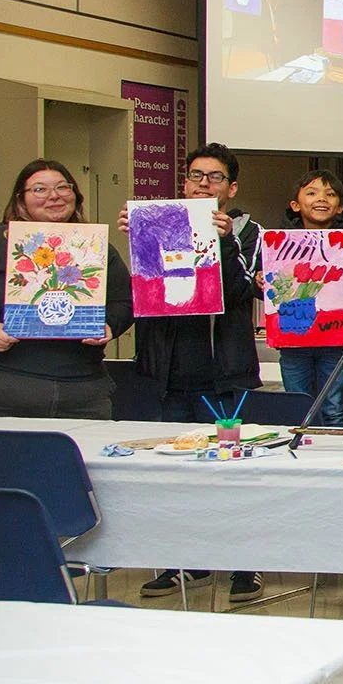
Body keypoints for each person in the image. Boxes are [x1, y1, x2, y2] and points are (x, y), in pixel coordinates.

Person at [119, 145, 265, 604]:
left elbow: (246, 291)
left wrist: (223, 241)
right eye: (196, 176)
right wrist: (137, 236)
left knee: (232, 473)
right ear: (184, 182)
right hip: (169, 370)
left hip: (223, 374)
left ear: (231, 188)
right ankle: (182, 562)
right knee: (174, 474)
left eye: (215, 178)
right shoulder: (158, 221)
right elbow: (145, 289)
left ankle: (245, 566)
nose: (204, 184)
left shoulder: (248, 232)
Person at [0, 160, 131, 419]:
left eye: (63, 187)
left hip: (81, 394)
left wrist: (109, 325)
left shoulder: (96, 249)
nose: (54, 196)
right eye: (40, 189)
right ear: (20, 201)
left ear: (75, 195)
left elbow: (125, 301)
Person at [275, 169, 343, 427]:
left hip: (335, 340)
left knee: (334, 407)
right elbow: (267, 292)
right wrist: (262, 281)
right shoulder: (277, 243)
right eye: (312, 193)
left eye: (330, 194)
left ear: (339, 207)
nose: (321, 199)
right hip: (293, 341)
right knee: (296, 406)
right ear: (295, 204)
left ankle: (336, 460)